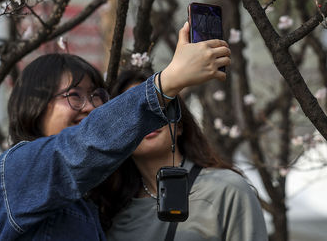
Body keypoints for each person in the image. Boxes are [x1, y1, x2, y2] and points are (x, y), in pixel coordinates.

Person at [0, 23, 230, 240]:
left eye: (97, 96)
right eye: (73, 96)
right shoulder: (16, 171)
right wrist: (167, 84)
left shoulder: (90, 201)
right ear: (35, 106)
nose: (90, 107)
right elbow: (80, 147)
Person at [94, 69, 268, 241]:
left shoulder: (226, 190)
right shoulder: (108, 209)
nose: (147, 119)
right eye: (131, 113)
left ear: (180, 124)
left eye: (157, 107)